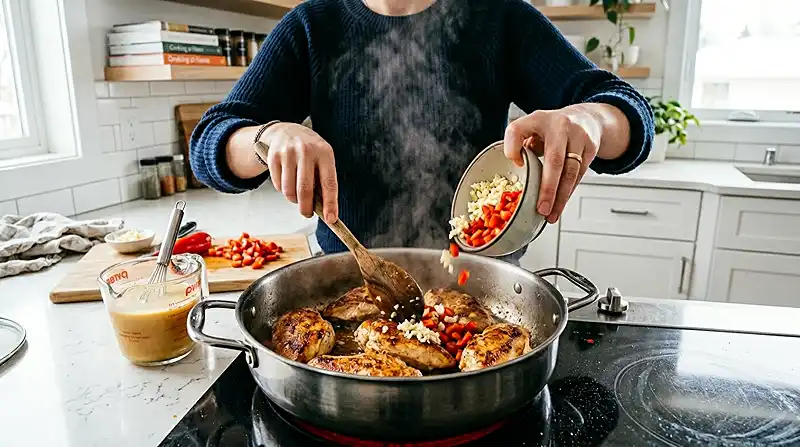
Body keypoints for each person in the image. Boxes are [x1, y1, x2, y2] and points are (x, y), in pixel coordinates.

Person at [190, 0, 654, 264]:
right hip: (351, 279)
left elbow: (630, 115)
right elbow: (210, 142)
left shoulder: (501, 17)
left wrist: (591, 120)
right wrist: (266, 136)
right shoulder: (312, 24)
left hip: (482, 279)